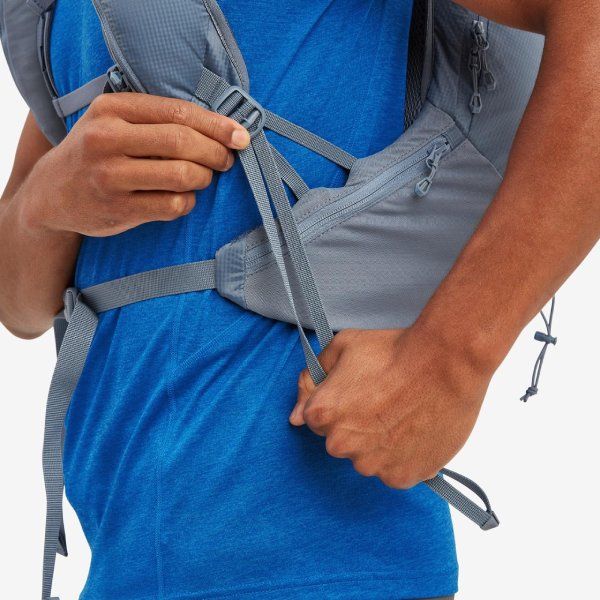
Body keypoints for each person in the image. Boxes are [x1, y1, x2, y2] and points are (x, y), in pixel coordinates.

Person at [0, 0, 598, 598]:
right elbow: (20, 307)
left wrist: (449, 361)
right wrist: (41, 205)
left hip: (328, 557)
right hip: (124, 559)